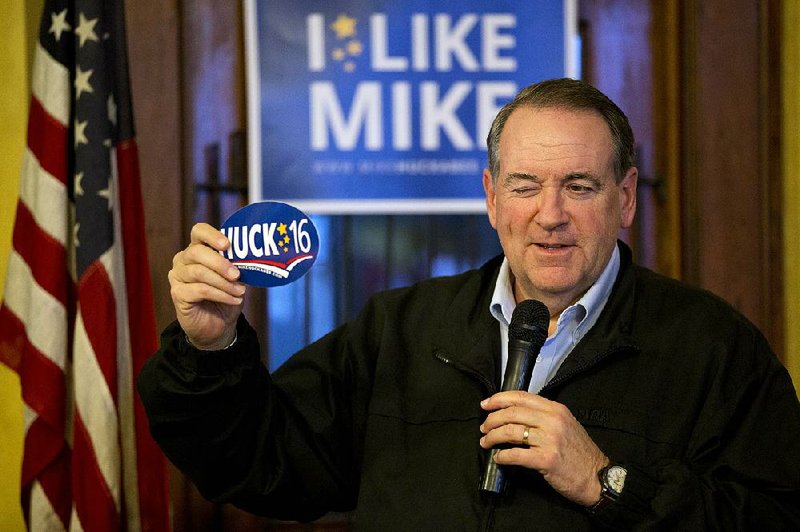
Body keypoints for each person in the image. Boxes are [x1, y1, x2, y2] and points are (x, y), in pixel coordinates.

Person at [138, 78, 800, 530]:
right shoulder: (399, 330)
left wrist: (609, 481)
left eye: (579, 186)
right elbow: (262, 464)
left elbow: (775, 517)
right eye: (524, 185)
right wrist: (211, 347)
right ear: (490, 197)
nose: (550, 215)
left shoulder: (713, 346)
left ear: (624, 198)